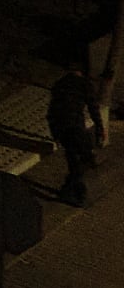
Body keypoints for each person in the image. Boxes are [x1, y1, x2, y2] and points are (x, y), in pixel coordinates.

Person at [48, 71, 98, 207]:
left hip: (62, 126)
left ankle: (73, 189)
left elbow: (52, 110)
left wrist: (55, 133)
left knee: (73, 157)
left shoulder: (60, 84)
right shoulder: (85, 85)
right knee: (86, 158)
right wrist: (100, 128)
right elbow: (93, 108)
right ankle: (72, 190)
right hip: (75, 125)